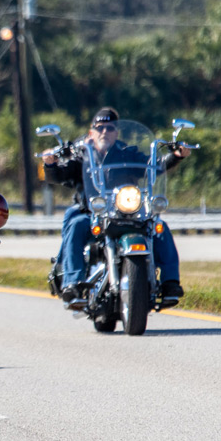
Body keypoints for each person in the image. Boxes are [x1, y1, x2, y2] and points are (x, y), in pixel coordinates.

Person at [41, 107, 191, 306]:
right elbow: (59, 175)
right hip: (93, 213)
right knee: (76, 225)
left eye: (110, 128)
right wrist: (50, 163)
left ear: (116, 132)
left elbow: (153, 165)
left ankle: (170, 283)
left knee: (159, 227)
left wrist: (176, 156)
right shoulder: (81, 155)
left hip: (127, 211)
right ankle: (72, 284)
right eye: (100, 127)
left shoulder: (127, 153)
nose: (105, 131)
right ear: (91, 132)